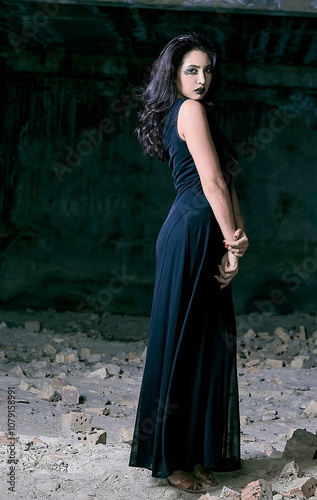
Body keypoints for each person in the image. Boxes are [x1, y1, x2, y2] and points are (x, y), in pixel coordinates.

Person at [129, 33, 249, 494]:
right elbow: (212, 183)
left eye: (207, 70)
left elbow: (227, 180)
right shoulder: (189, 110)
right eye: (191, 70)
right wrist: (232, 242)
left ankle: (197, 454)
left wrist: (238, 235)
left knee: (204, 343)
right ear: (174, 75)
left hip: (205, 230)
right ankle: (170, 458)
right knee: (181, 342)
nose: (201, 80)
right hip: (192, 232)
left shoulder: (200, 113)